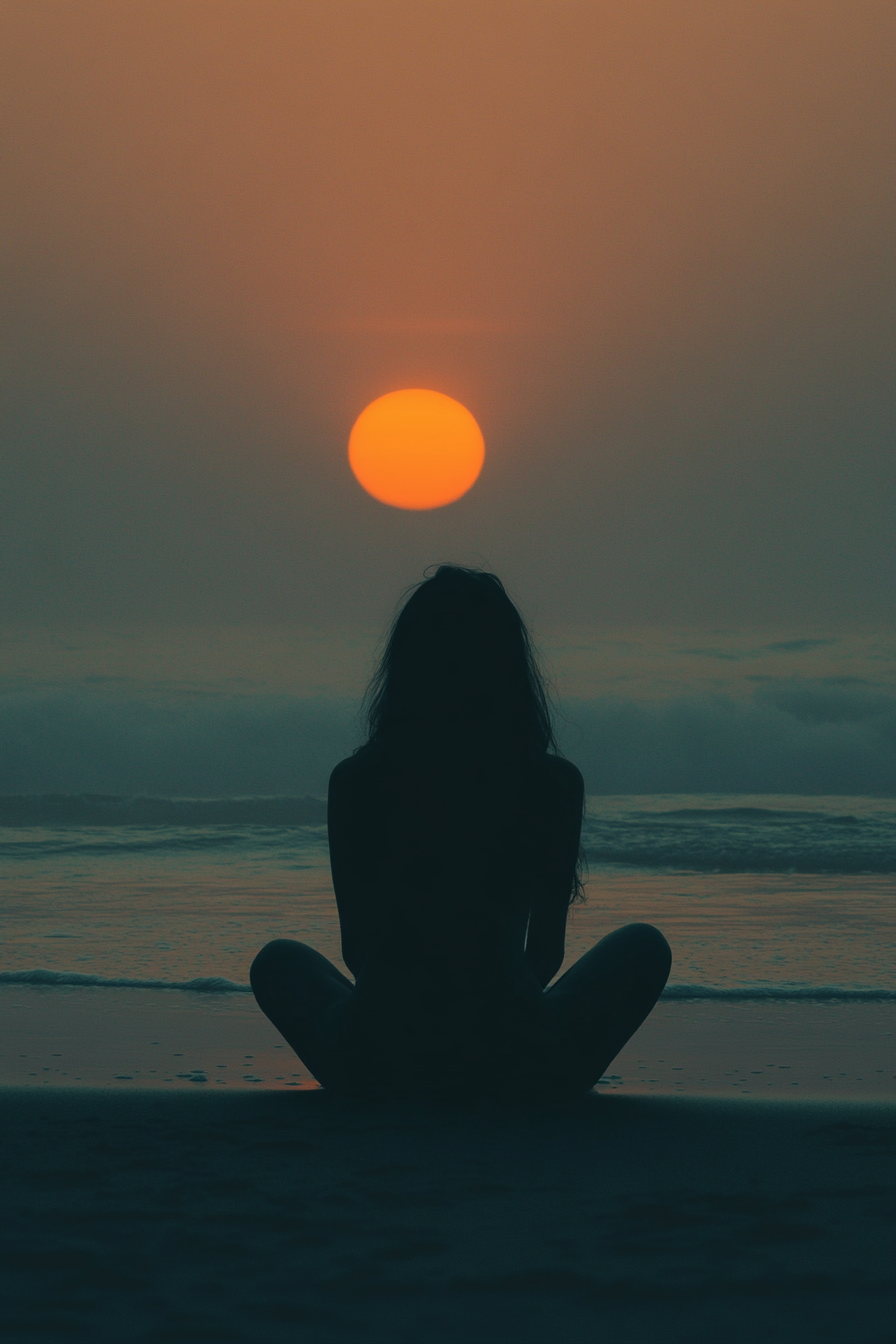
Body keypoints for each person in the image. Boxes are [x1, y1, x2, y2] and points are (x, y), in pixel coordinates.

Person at [250, 566, 670, 1094]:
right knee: (644, 947)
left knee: (279, 961)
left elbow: (357, 950)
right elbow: (545, 955)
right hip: (511, 1048)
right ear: (510, 667)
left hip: (383, 1048)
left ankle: (391, 1083)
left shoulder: (357, 780)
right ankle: (531, 1088)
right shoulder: (552, 784)